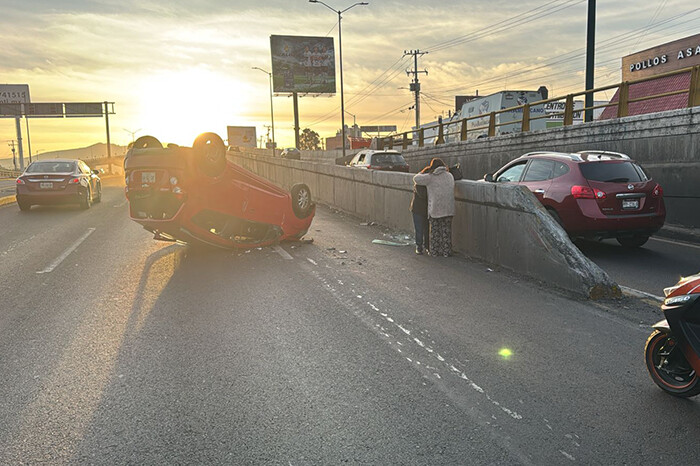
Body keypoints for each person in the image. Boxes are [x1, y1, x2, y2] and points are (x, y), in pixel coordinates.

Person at [413, 158, 455, 257]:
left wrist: (422, 172)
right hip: (449, 208)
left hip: (436, 209)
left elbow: (416, 179)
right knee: (446, 232)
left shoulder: (431, 177)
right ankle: (446, 252)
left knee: (435, 232)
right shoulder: (450, 176)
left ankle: (435, 252)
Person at [409, 163, 431, 255]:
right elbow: (423, 195)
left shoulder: (419, 183)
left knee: (421, 229)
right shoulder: (423, 185)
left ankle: (421, 247)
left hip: (419, 209)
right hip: (422, 209)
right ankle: (424, 247)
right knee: (423, 229)